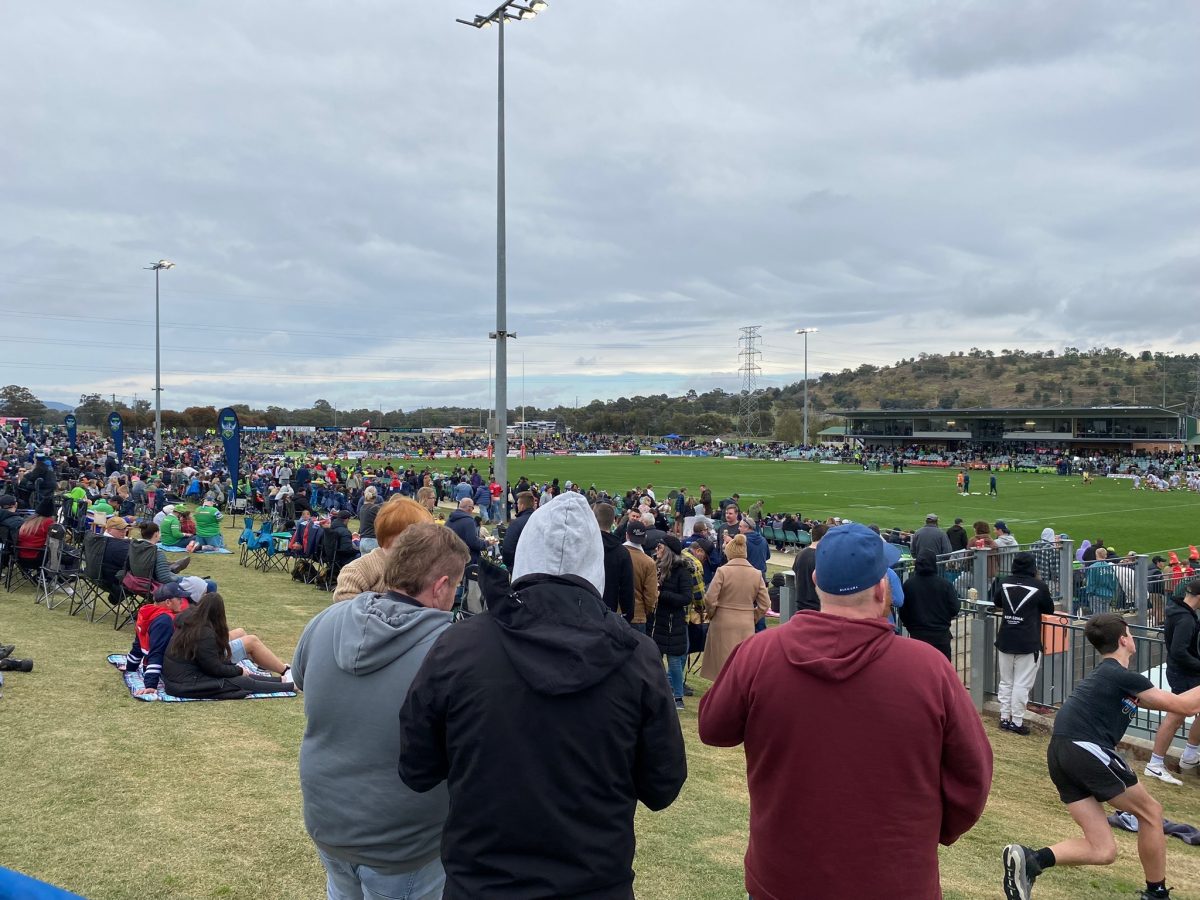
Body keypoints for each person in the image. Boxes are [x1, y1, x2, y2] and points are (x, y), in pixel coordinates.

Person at [398, 491, 686, 899]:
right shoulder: (637, 658)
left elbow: (417, 765)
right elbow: (662, 783)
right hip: (588, 882)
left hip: (484, 883)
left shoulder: (459, 645)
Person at [699, 522, 991, 898]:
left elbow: (713, 727)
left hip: (785, 874)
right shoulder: (930, 669)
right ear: (882, 587)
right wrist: (919, 830)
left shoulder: (759, 654)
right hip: (895, 878)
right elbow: (973, 777)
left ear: (817, 581)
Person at [294, 524, 469, 900]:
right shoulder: (452, 650)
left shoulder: (327, 620)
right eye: (454, 587)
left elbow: (301, 680)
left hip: (329, 817)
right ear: (440, 587)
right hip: (402, 841)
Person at [1002, 614, 1200, 900]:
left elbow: (1179, 706)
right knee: (1151, 812)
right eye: (1130, 633)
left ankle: (1031, 860)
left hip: (1060, 753)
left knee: (1103, 850)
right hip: (1085, 748)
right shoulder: (1121, 676)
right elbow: (1185, 706)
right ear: (1124, 639)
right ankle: (1156, 893)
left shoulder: (1110, 677)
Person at [162, 593, 295, 699]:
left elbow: (209, 662)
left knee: (240, 677)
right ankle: (290, 686)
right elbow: (214, 669)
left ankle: (282, 680)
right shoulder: (204, 632)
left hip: (180, 678)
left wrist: (237, 670)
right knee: (241, 682)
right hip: (185, 683)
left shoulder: (191, 621)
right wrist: (238, 670)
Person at [991, 551, 1055, 735]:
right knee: (1022, 683)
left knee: (1006, 681)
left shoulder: (1003, 582)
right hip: (1028, 640)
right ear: (1032, 567)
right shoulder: (1039, 585)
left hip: (1005, 637)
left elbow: (997, 602)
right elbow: (1049, 608)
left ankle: (1004, 717)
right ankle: (1017, 721)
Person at [1145, 579, 1200, 787]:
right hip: (1185, 674)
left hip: (1184, 672)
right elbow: (1178, 651)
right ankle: (1155, 763)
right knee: (1176, 716)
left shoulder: (1178, 610)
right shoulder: (1185, 619)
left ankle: (1189, 754)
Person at [333, 497, 432, 602]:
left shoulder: (417, 568)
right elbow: (343, 599)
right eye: (420, 539)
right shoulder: (360, 569)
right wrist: (382, 607)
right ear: (400, 536)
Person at [700, 534, 768, 680]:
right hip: (745, 624)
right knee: (741, 666)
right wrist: (752, 617)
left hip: (722, 621)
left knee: (721, 668)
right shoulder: (756, 574)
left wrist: (712, 614)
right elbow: (765, 604)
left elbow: (710, 598)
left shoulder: (722, 571)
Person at [900, 548, 962, 660]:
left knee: (919, 672)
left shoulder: (909, 585)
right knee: (942, 673)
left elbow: (903, 612)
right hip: (940, 636)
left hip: (917, 636)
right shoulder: (945, 585)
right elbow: (955, 608)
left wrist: (911, 626)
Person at [593, 502, 634, 619]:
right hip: (607, 612)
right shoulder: (622, 552)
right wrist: (627, 615)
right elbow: (627, 589)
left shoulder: (584, 546)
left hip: (584, 610)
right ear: (613, 521)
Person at [623, 519, 658, 632]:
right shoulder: (648, 562)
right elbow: (651, 595)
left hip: (614, 613)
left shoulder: (615, 554)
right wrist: (647, 611)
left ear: (627, 535)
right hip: (637, 616)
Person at [790, 522, 827, 612]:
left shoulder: (801, 554)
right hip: (817, 606)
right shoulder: (822, 556)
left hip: (801, 604)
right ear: (823, 537)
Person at [500, 490, 535, 571]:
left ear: (522, 506)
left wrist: (509, 565)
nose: (517, 506)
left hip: (519, 568)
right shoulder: (541, 520)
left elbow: (508, 549)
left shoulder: (516, 523)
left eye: (518, 504)